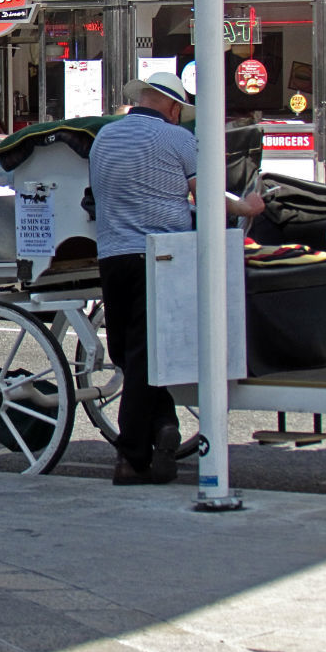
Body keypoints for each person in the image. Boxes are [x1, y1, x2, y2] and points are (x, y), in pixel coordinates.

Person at [88, 71, 264, 486]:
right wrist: (247, 208)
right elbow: (207, 198)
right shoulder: (180, 140)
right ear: (172, 107)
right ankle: (131, 457)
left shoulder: (103, 141)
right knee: (150, 356)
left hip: (113, 255)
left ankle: (164, 425)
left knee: (129, 352)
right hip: (161, 256)